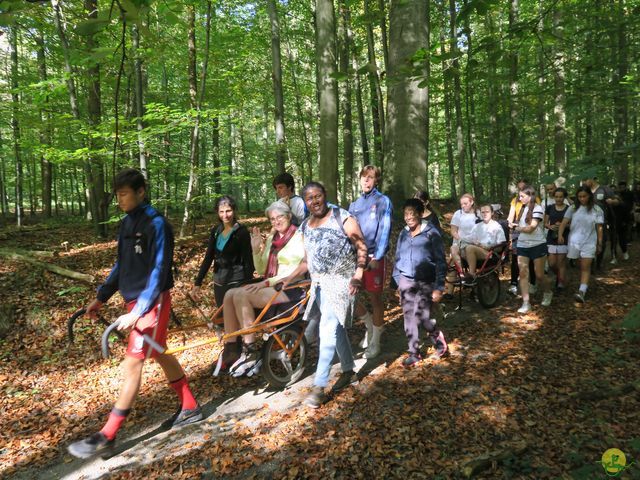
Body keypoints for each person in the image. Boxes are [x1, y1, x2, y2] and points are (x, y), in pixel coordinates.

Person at [67, 169, 202, 459]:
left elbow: (159, 270)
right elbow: (121, 265)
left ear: (141, 191)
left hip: (153, 303)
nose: (120, 199)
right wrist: (101, 297)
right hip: (135, 304)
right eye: (117, 195)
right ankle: (190, 406)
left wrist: (140, 310)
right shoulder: (127, 223)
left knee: (132, 364)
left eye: (124, 193)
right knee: (158, 352)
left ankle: (108, 434)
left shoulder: (158, 225)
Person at [281, 182, 368, 408]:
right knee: (336, 329)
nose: (314, 201)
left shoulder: (342, 217)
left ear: (325, 195)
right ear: (305, 202)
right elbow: (306, 262)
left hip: (342, 282)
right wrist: (287, 280)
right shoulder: (306, 226)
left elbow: (361, 246)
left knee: (327, 327)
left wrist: (358, 274)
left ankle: (319, 386)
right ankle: (348, 371)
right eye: (309, 198)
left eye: (318, 196)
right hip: (320, 285)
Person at [215, 201, 305, 375]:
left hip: (291, 288)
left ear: (288, 216)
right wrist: (256, 250)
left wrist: (265, 283)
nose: (276, 222)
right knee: (229, 294)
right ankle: (232, 347)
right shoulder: (273, 238)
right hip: (271, 285)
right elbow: (262, 269)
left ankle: (250, 350)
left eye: (280, 217)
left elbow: (295, 271)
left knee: (242, 295)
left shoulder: (298, 237)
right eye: (272, 219)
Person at [393, 199, 448, 367]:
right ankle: (414, 353)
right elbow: (397, 257)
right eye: (406, 214)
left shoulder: (431, 232)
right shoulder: (403, 233)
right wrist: (396, 282)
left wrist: (439, 287)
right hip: (406, 280)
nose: (409, 217)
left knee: (422, 317)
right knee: (409, 318)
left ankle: (437, 337)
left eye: (412, 213)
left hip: (426, 281)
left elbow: (440, 261)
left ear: (420, 213)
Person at [348, 165, 393, 359]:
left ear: (376, 180)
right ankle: (370, 328)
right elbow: (349, 233)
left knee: (375, 298)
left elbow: (385, 229)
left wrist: (379, 256)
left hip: (374, 257)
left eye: (370, 177)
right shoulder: (354, 205)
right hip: (356, 257)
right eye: (363, 177)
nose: (366, 181)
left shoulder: (383, 201)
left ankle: (375, 342)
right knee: (351, 296)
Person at [191, 195, 255, 307]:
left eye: (228, 211)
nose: (225, 215)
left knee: (237, 317)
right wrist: (198, 282)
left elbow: (248, 260)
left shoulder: (242, 232)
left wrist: (248, 283)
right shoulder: (216, 231)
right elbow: (208, 257)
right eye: (221, 212)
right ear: (217, 212)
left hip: (236, 282)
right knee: (222, 318)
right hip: (218, 282)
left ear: (234, 211)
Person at [510, 185, 553, 313]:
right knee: (523, 273)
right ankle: (526, 302)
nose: (520, 198)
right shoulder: (523, 209)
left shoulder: (538, 208)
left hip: (537, 244)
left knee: (539, 275)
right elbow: (523, 226)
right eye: (519, 196)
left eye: (522, 196)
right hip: (523, 244)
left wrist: (516, 228)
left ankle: (547, 292)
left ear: (530, 196)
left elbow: (531, 228)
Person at [558, 186, 604, 303]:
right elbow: (564, 223)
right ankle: (583, 283)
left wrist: (599, 243)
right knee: (580, 265)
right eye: (580, 197)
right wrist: (560, 235)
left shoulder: (597, 209)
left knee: (585, 266)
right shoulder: (573, 208)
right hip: (574, 241)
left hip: (589, 241)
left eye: (584, 196)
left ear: (589, 196)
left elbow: (599, 228)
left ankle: (582, 291)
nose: (582, 199)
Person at [507, 179, 539, 296]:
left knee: (529, 257)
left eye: (523, 188)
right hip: (516, 229)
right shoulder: (515, 200)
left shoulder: (535, 201)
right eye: (519, 188)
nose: (521, 190)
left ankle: (533, 282)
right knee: (515, 257)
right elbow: (511, 216)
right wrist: (510, 224)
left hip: (528, 229)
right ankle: (514, 283)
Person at [444, 193, 479, 297]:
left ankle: (474, 288)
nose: (463, 206)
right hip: (459, 243)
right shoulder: (458, 214)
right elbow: (453, 231)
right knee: (452, 262)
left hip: (474, 244)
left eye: (465, 203)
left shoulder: (478, 214)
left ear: (471, 202)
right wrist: (460, 239)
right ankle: (450, 291)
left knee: (471, 253)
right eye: (461, 204)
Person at [583, 177, 618, 268]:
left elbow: (617, 201)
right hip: (587, 222)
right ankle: (591, 263)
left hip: (602, 221)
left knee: (601, 241)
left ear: (592, 179)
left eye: (585, 180)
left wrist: (612, 201)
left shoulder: (605, 189)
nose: (584, 182)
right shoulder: (585, 190)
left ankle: (599, 262)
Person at [464, 204, 507, 279]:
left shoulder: (497, 226)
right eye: (483, 212)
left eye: (487, 212)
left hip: (490, 254)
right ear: (480, 213)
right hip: (476, 250)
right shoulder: (477, 226)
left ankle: (472, 274)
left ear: (492, 213)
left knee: (470, 248)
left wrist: (488, 247)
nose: (485, 214)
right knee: (455, 248)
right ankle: (457, 279)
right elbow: (470, 239)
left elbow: (500, 246)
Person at [544, 187, 570, 290]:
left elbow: (572, 224)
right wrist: (550, 226)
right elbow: (545, 223)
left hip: (563, 237)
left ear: (564, 197)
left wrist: (563, 226)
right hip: (551, 237)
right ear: (554, 197)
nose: (558, 199)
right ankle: (559, 276)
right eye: (556, 197)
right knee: (551, 263)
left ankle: (560, 283)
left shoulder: (569, 209)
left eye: (561, 197)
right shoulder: (550, 207)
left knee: (561, 262)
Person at [611, 181, 633, 262]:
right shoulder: (612, 197)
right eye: (620, 187)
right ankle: (614, 257)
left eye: (623, 187)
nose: (621, 189)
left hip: (622, 220)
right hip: (613, 221)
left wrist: (625, 221)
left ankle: (625, 252)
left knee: (622, 238)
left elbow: (627, 208)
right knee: (613, 239)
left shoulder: (628, 195)